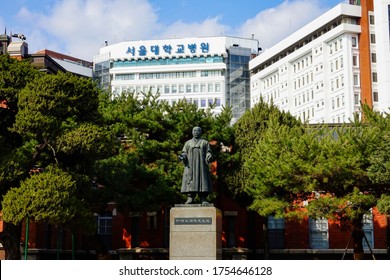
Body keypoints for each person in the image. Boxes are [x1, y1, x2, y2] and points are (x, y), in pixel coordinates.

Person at [179, 126, 213, 204]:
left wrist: (209, 156)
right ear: (192, 132)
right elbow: (184, 152)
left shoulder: (204, 142)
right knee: (190, 181)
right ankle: (190, 197)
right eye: (194, 131)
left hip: (201, 166)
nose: (196, 132)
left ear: (200, 132)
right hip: (190, 166)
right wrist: (182, 157)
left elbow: (209, 152)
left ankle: (203, 198)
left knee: (203, 180)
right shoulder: (188, 143)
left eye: (198, 131)